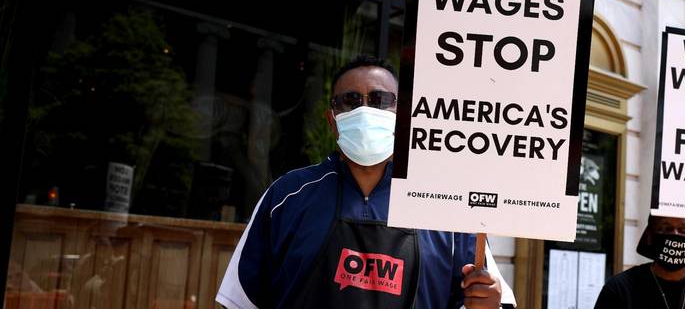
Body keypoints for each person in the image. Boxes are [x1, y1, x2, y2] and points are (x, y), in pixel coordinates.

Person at [216, 56, 515, 308]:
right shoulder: (286, 197)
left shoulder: (447, 208)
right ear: (332, 120)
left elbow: (485, 299)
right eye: (350, 100)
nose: (364, 109)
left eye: (380, 99)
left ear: (404, 116)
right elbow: (241, 301)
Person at [594, 215, 685, 309]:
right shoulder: (620, 289)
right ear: (650, 236)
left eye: (684, 230)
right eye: (666, 228)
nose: (675, 235)